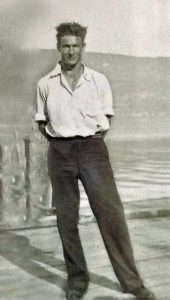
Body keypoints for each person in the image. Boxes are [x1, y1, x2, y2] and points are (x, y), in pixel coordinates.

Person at [35, 22, 156, 300]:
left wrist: (86, 141)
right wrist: (62, 140)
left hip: (93, 150)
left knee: (112, 215)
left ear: (83, 47)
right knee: (67, 219)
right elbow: (43, 123)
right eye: (66, 46)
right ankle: (77, 280)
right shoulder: (45, 84)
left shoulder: (99, 81)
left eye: (76, 46)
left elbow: (106, 121)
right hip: (60, 153)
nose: (71, 51)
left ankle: (132, 283)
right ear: (58, 48)